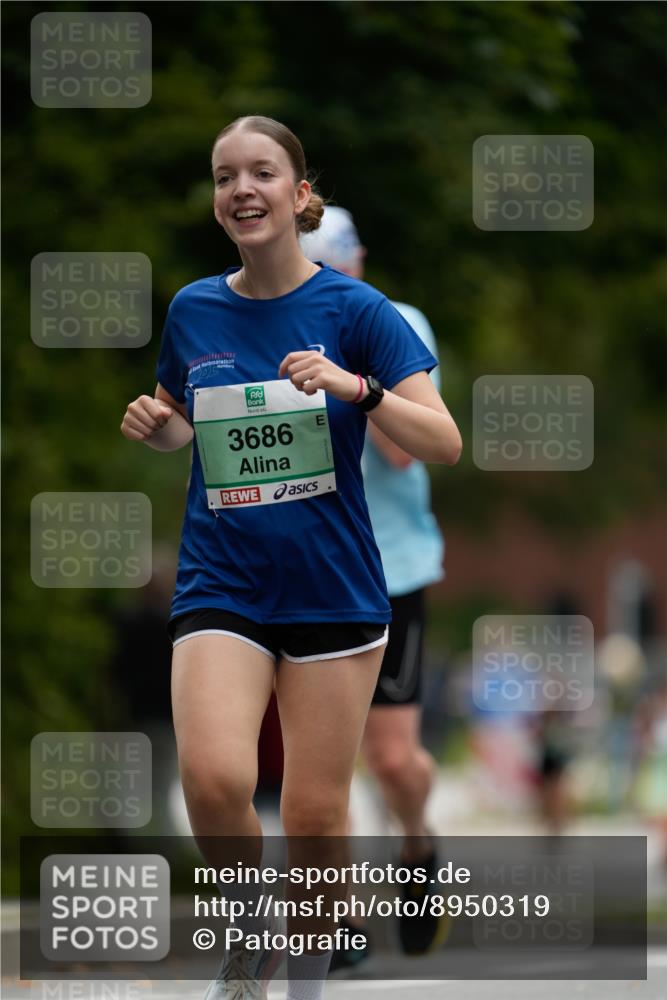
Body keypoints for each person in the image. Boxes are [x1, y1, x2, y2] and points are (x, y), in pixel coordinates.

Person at [120, 116, 462, 1000]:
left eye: (262, 172)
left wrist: (357, 387)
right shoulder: (194, 308)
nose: (242, 188)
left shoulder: (357, 311)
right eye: (225, 175)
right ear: (216, 199)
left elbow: (442, 441)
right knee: (214, 775)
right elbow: (186, 419)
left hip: (334, 588)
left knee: (313, 818)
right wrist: (163, 431)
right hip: (222, 581)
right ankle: (250, 926)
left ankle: (303, 988)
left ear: (299, 193)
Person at [301, 207, 450, 965]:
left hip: (392, 568)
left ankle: (418, 847)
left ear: (357, 262)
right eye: (318, 267)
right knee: (326, 758)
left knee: (392, 759)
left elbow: (402, 455)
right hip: (308, 571)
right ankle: (341, 914)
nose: (332, 280)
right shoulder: (271, 326)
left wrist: (351, 380)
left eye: (340, 265)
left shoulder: (398, 322)